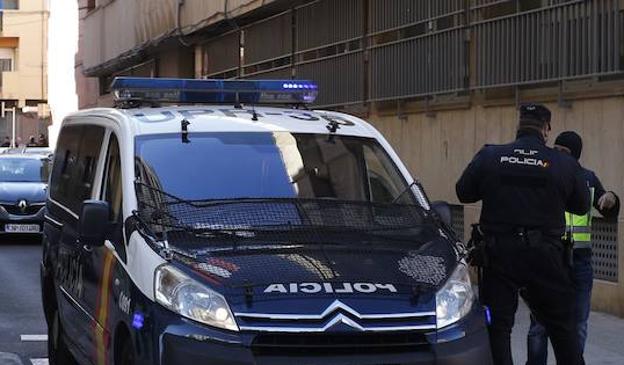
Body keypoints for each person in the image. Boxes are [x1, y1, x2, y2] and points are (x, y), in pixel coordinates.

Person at [456, 103, 590, 365]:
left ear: (519, 125)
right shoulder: (563, 163)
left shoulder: (491, 156)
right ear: (546, 129)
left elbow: (464, 191)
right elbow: (582, 205)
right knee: (563, 330)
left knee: (499, 329)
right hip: (546, 259)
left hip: (499, 256)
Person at [526, 131, 620, 365]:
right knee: (539, 326)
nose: (556, 154)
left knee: (578, 324)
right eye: (555, 149)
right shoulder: (541, 175)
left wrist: (611, 199)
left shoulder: (587, 178)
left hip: (579, 262)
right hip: (548, 259)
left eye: (563, 152)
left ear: (575, 156)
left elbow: (607, 208)